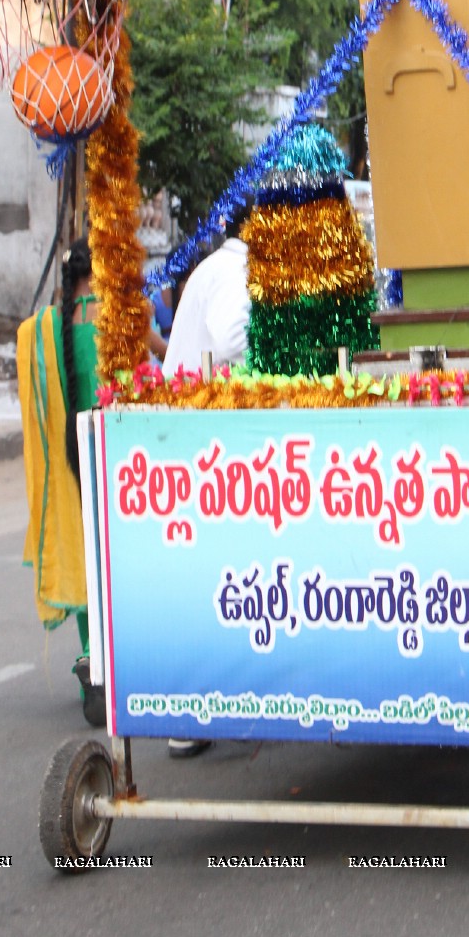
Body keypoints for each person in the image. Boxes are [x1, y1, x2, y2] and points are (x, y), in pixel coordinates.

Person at [160, 208, 252, 757]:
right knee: (205, 572)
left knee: (205, 569)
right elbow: (232, 341)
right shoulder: (236, 273)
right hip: (196, 439)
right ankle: (189, 711)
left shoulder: (216, 266)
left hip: (184, 433)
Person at [17, 236, 105, 726]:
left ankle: (91, 656)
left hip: (68, 458)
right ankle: (114, 659)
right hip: (107, 454)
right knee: (110, 557)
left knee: (82, 552)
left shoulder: (44, 329)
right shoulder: (109, 315)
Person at [162, 207, 252, 380]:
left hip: (189, 398)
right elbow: (231, 343)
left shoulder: (219, 264)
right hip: (196, 400)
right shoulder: (236, 268)